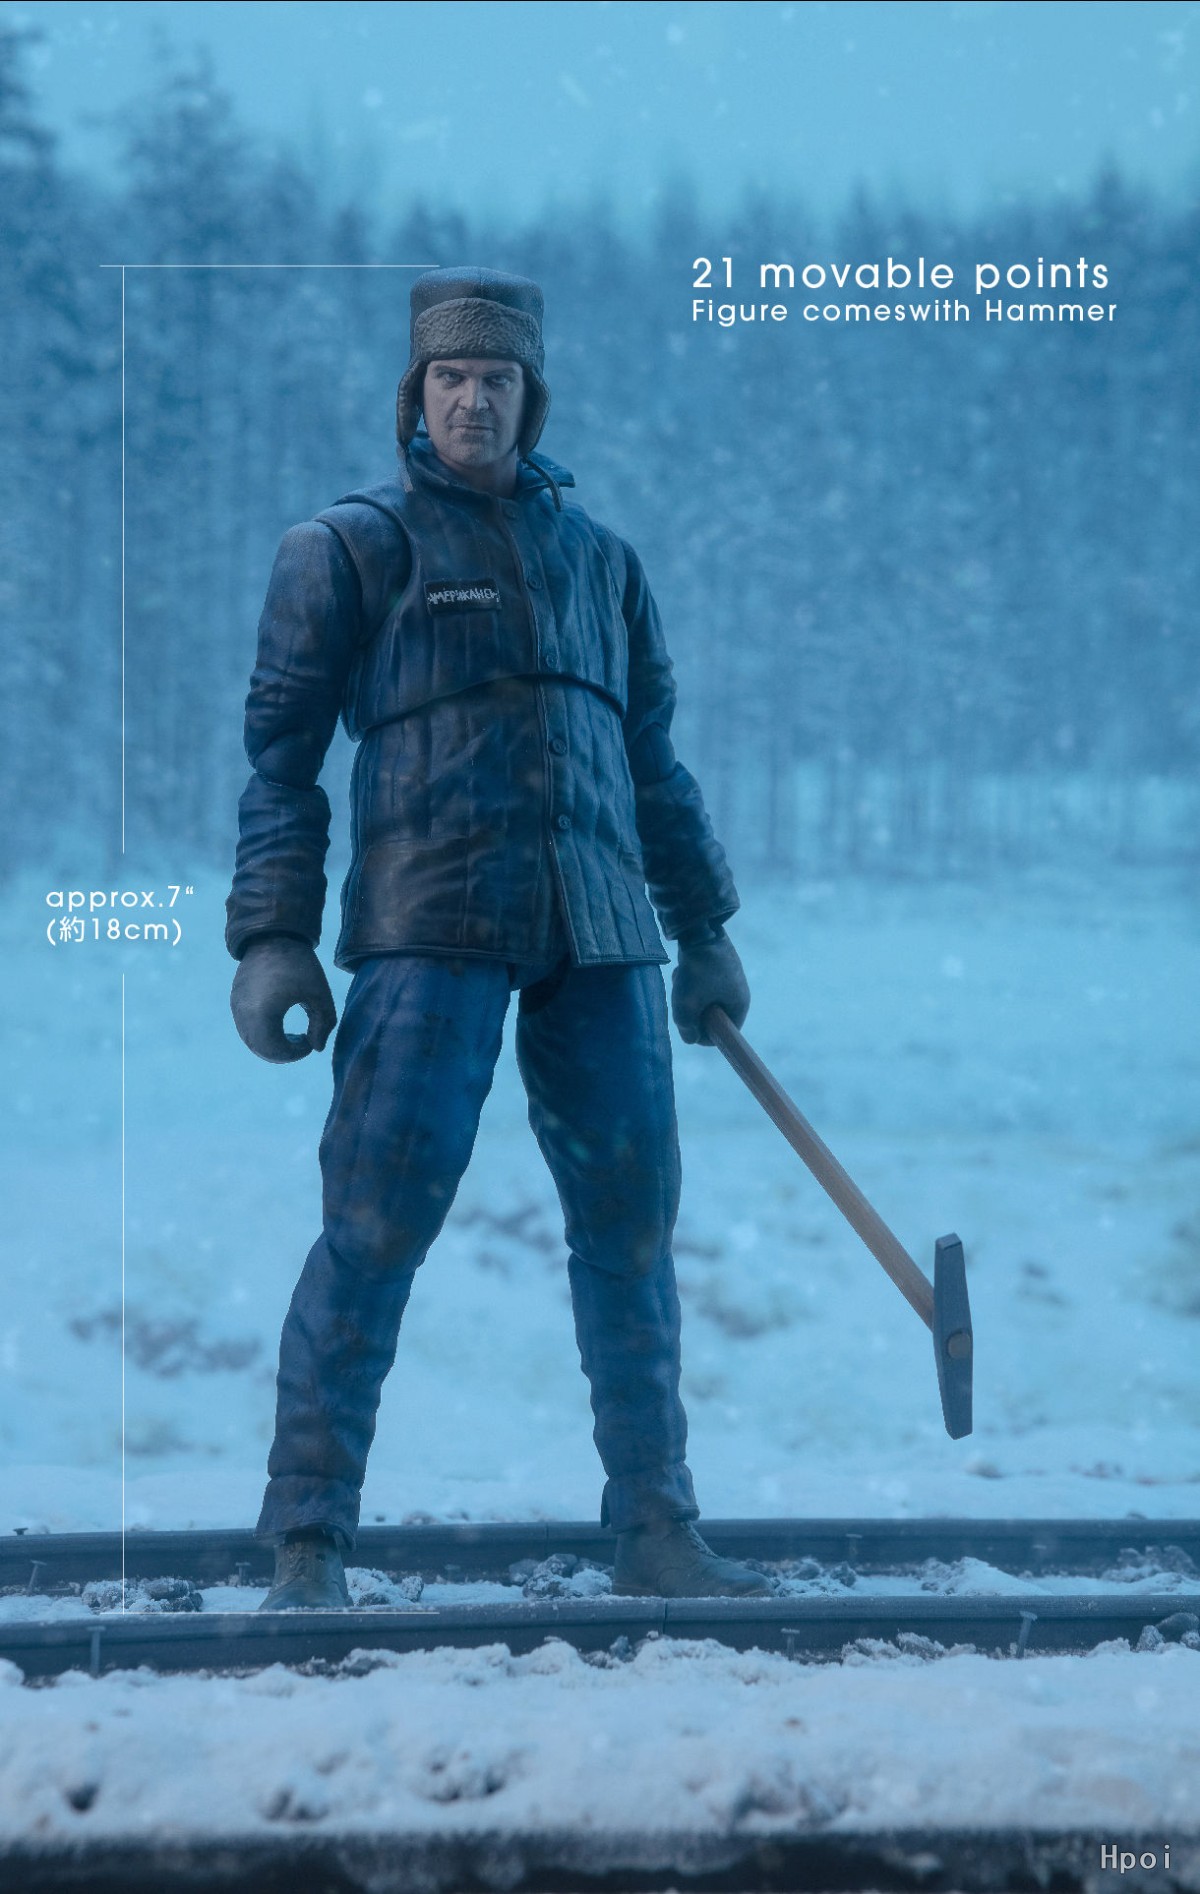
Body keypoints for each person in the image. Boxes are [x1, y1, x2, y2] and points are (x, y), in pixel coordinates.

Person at [226, 267, 770, 1609]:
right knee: (374, 1217)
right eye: (452, 379)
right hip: (430, 923)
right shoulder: (347, 549)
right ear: (416, 396)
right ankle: (307, 1536)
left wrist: (702, 927)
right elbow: (281, 766)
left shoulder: (604, 565)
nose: (475, 402)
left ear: (535, 400)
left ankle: (656, 1525)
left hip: (604, 929)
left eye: (499, 380)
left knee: (631, 1229)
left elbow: (654, 769)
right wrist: (272, 937)